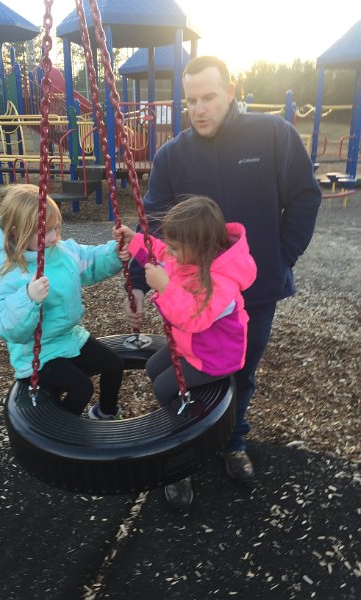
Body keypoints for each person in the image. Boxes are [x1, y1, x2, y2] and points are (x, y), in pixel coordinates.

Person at [124, 56, 322, 505]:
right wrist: (138, 282)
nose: (199, 109)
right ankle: (183, 456)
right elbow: (152, 224)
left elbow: (305, 198)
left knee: (240, 372)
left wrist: (280, 258)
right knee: (185, 371)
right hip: (192, 292)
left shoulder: (272, 136)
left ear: (230, 92)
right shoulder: (173, 156)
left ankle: (232, 440)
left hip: (255, 290)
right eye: (190, 100)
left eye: (209, 97)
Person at [116, 196, 257, 508]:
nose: (171, 253)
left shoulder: (222, 280)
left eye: (177, 248)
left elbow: (194, 318)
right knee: (153, 368)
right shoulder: (189, 256)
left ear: (200, 247)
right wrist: (134, 238)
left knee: (164, 388)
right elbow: (160, 251)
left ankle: (183, 450)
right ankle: (184, 416)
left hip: (214, 356)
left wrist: (165, 287)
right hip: (191, 346)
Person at [0, 184, 129, 420]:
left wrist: (115, 253)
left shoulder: (62, 252)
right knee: (82, 388)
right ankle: (61, 431)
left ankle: (105, 414)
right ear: (16, 233)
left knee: (114, 364)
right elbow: (8, 327)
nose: (54, 237)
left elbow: (91, 260)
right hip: (37, 352)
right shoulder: (10, 273)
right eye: (45, 232)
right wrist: (28, 299)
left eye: (56, 228)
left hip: (69, 336)